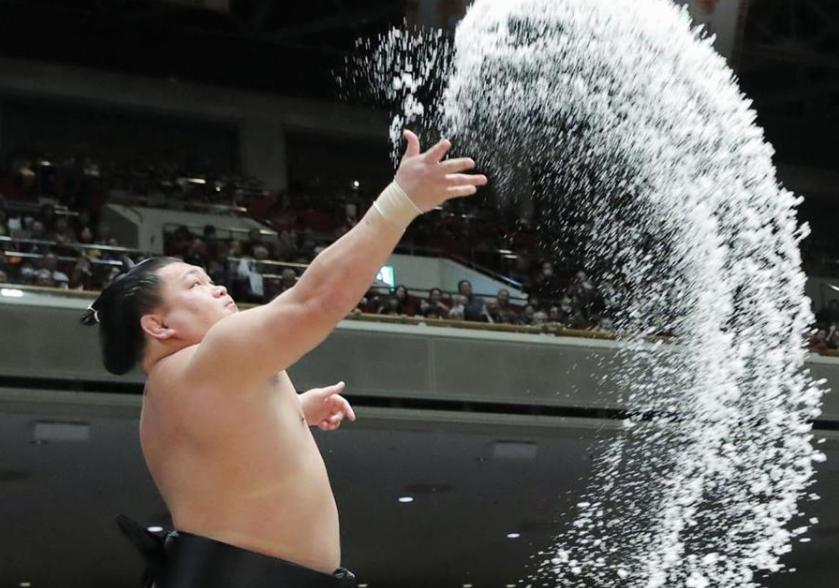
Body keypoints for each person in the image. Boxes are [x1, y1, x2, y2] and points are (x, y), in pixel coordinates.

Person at [80, 130, 487, 588]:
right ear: (158, 326)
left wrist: (291, 410)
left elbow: (226, 457)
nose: (219, 288)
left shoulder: (174, 391)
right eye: (195, 284)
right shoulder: (204, 361)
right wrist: (400, 201)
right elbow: (313, 302)